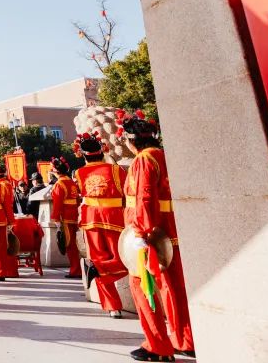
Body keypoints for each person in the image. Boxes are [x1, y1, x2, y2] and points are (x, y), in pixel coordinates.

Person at [120, 111, 195, 361]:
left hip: (148, 234)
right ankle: (185, 340)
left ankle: (158, 346)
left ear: (132, 141)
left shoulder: (143, 160)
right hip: (169, 233)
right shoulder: (164, 156)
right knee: (175, 289)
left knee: (145, 289)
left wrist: (140, 232)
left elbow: (144, 197)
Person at [73, 131, 128, 318]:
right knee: (124, 259)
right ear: (102, 151)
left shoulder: (79, 173)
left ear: (83, 155)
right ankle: (98, 269)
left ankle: (113, 306)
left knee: (98, 258)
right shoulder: (117, 170)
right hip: (114, 218)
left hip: (91, 219)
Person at [50, 156, 82, 279]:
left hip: (65, 217)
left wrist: (56, 219)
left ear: (56, 171)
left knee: (70, 244)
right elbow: (77, 200)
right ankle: (76, 268)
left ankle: (75, 270)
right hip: (74, 215)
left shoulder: (59, 184)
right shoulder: (71, 182)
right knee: (73, 243)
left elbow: (57, 204)